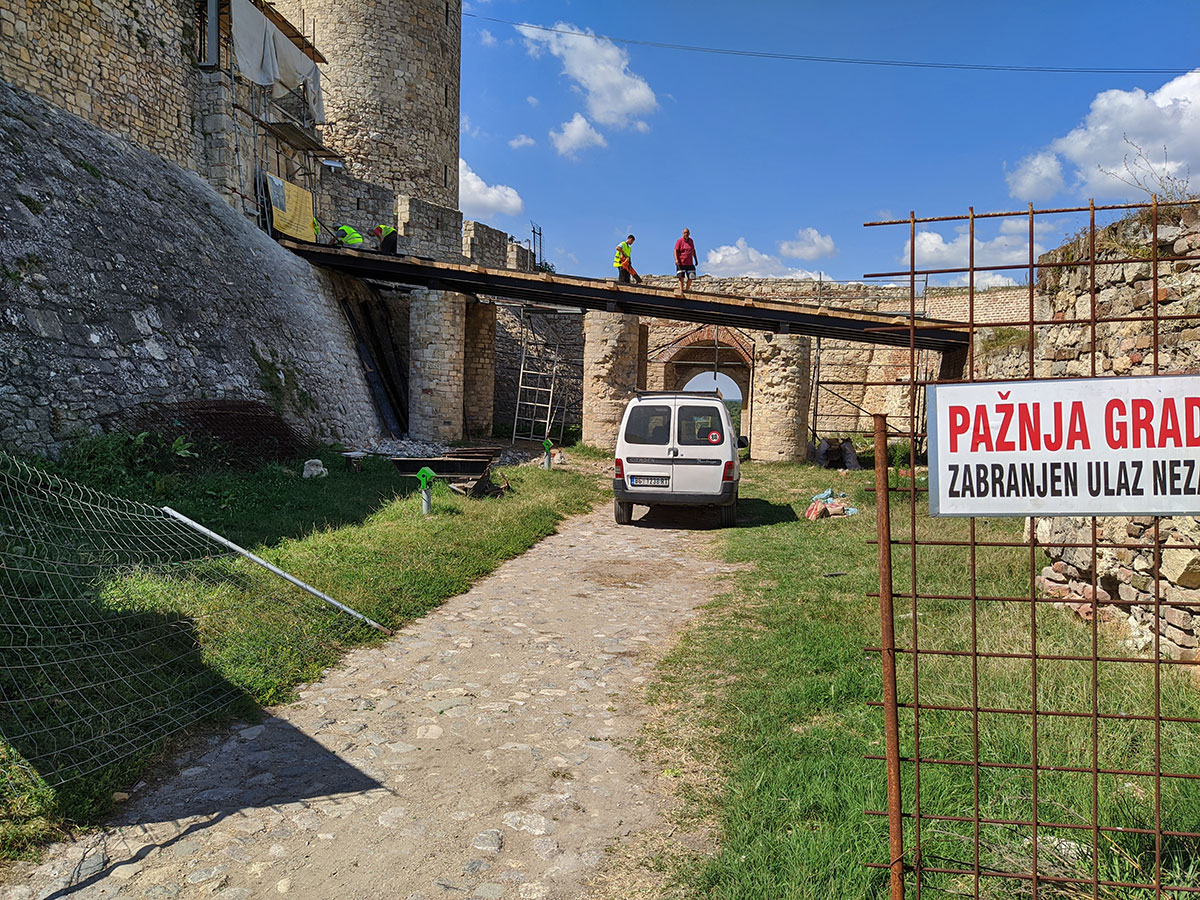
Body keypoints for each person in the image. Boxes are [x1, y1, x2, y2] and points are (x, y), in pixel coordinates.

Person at [674, 227, 697, 293]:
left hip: (689, 263)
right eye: (684, 233)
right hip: (681, 262)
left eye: (687, 233)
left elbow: (693, 250)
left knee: (691, 276)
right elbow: (675, 250)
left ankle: (687, 290)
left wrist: (696, 259)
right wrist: (676, 260)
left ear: (689, 233)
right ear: (682, 234)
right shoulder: (679, 241)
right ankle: (681, 290)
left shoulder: (691, 241)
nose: (686, 234)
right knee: (681, 277)